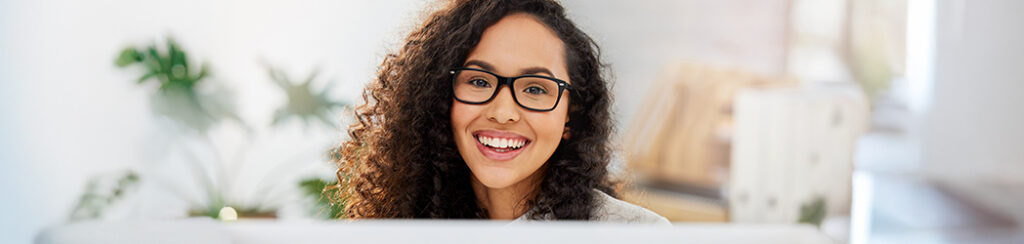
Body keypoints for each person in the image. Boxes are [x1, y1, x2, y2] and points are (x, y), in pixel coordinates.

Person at [333, 0, 668, 224]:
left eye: (536, 88)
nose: (503, 111)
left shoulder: (634, 235)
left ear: (570, 116)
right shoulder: (394, 231)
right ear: (441, 100)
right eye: (479, 81)